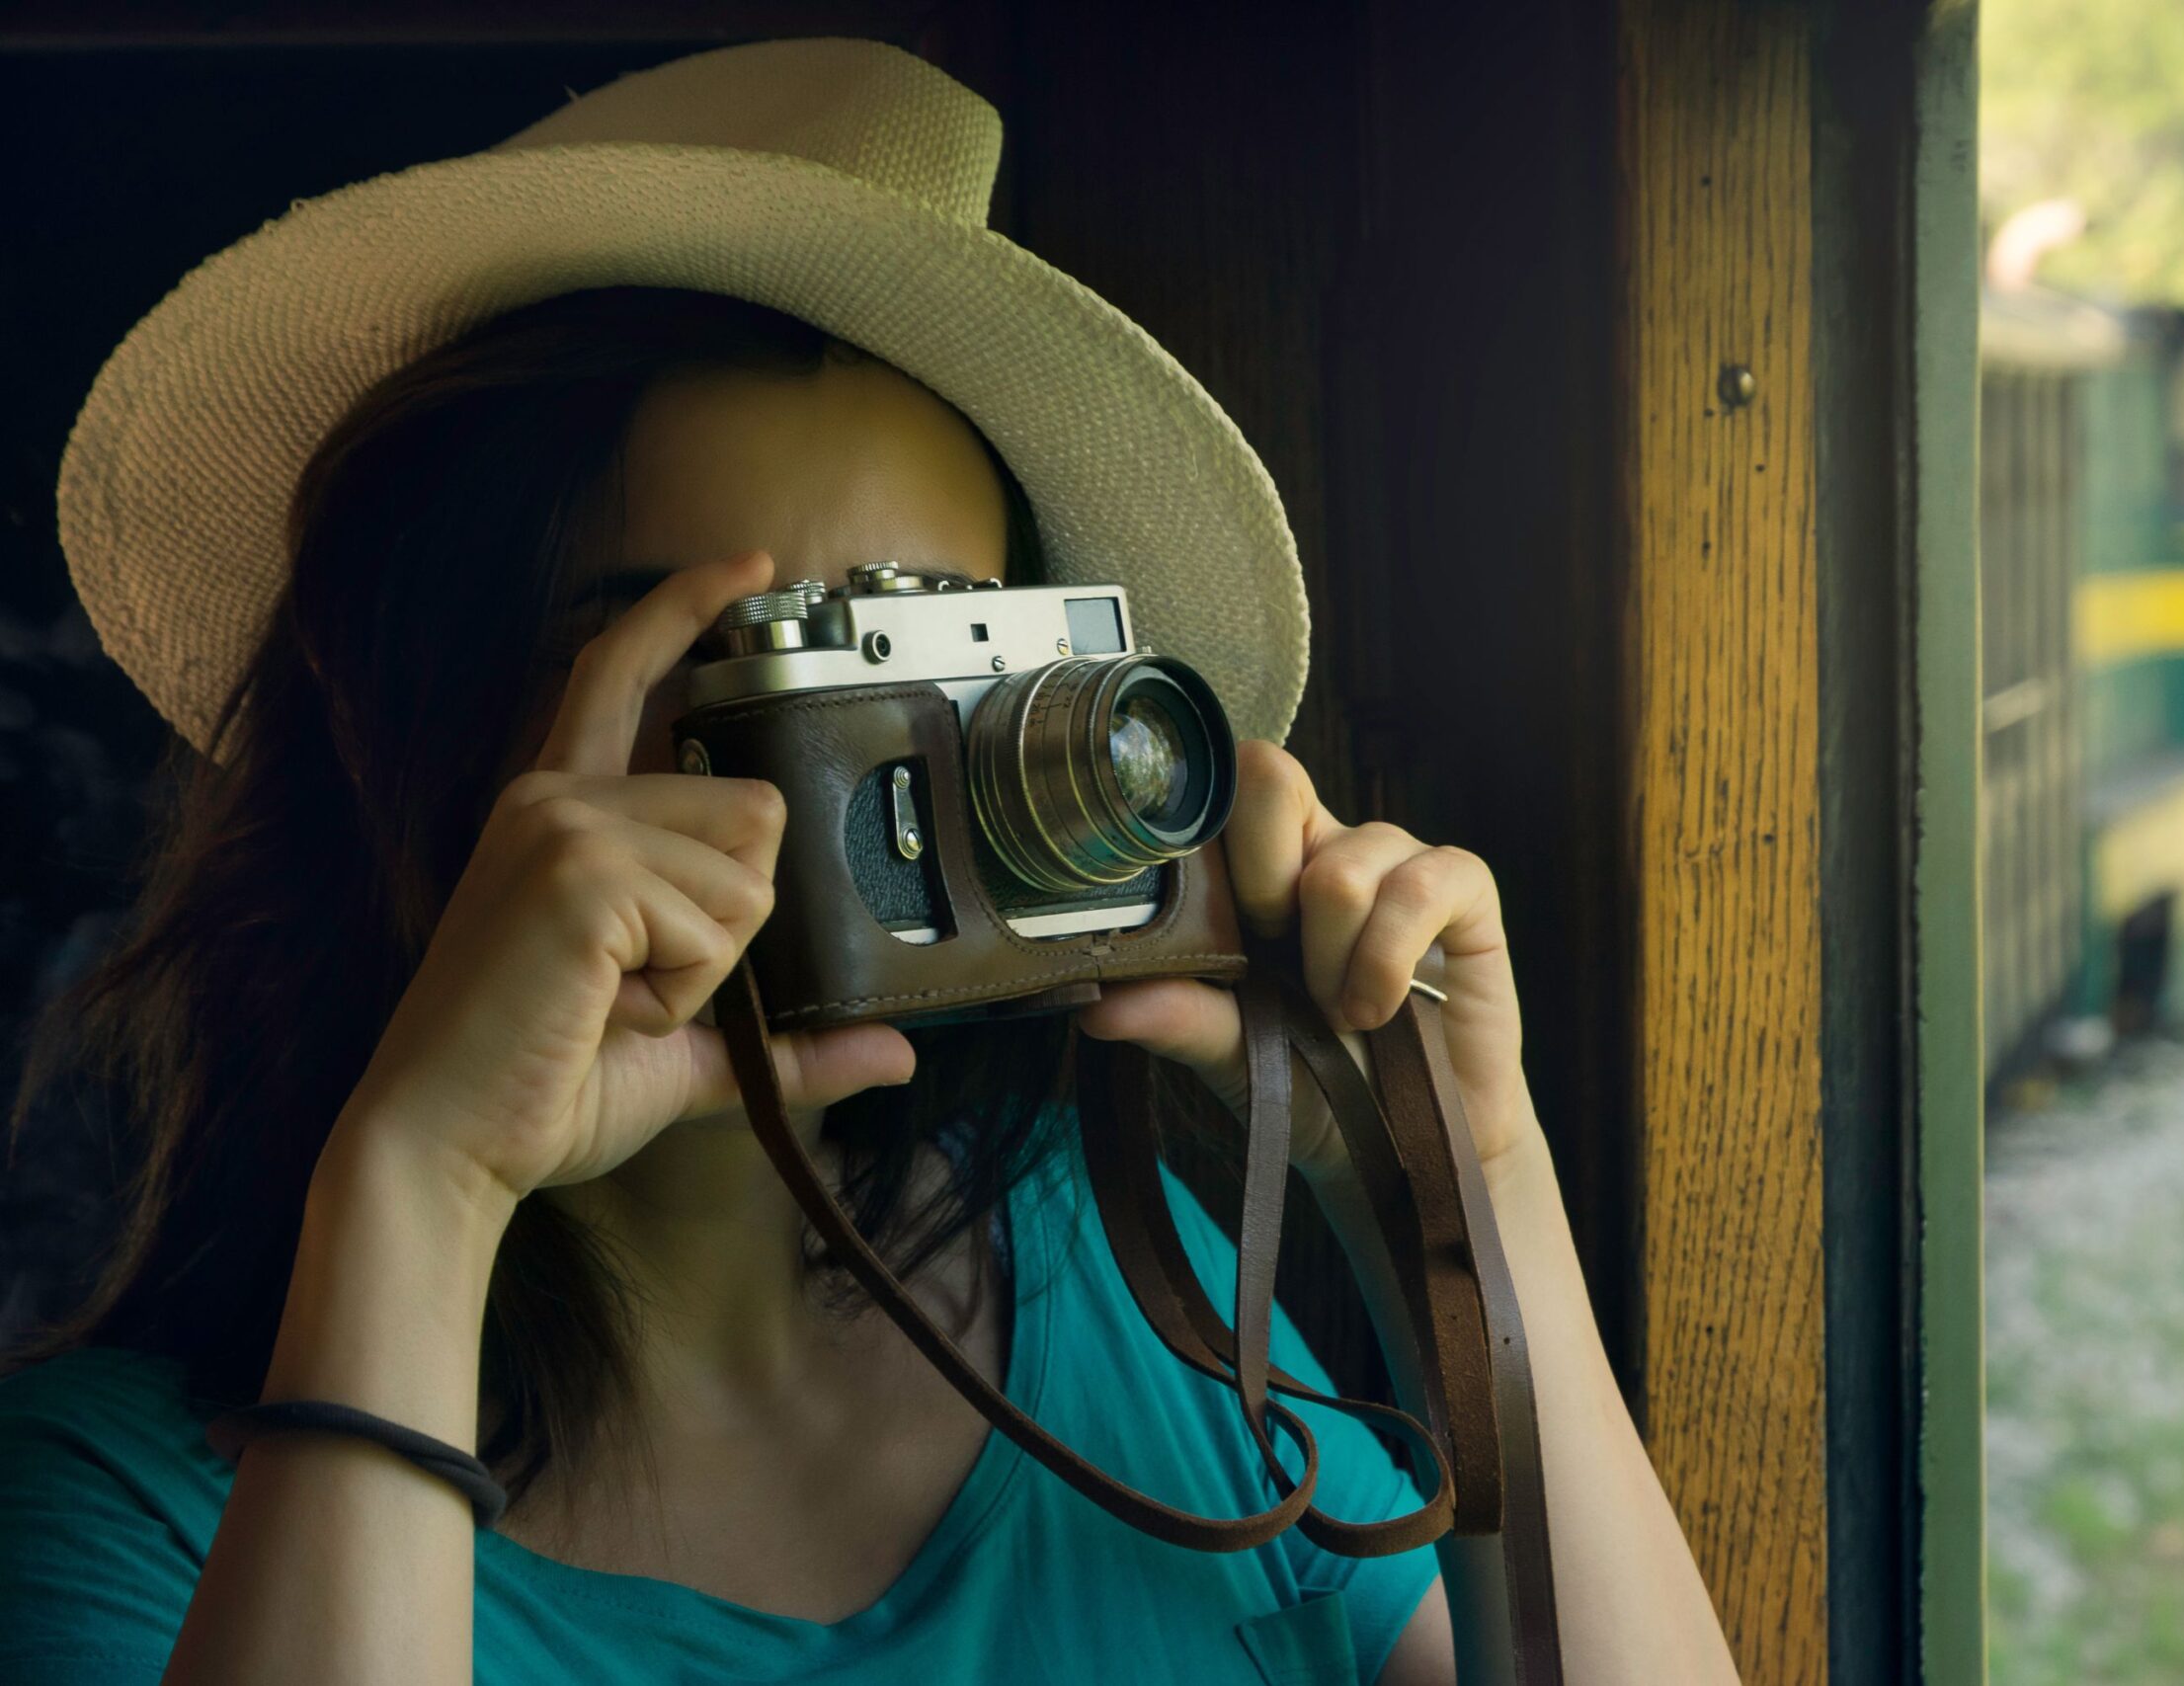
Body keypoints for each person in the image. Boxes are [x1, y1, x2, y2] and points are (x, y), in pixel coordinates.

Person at [0, 39, 1737, 1686]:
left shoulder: (1104, 1288)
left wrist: (1461, 1171)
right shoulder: (123, 1508)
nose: (886, 762)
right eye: (767, 651)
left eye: (946, 654)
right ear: (434, 723)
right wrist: (423, 1184)